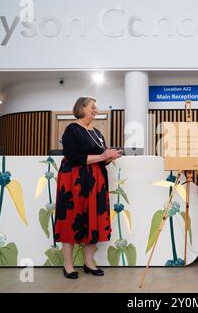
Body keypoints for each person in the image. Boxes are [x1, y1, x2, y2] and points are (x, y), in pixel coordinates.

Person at [54, 96, 123, 279]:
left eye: (96, 107)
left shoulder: (97, 133)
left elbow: (101, 158)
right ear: (82, 108)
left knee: (94, 220)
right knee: (71, 219)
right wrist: (102, 157)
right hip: (73, 183)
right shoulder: (72, 129)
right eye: (93, 107)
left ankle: (89, 262)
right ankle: (68, 265)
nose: (96, 110)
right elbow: (74, 157)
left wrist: (109, 156)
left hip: (95, 183)